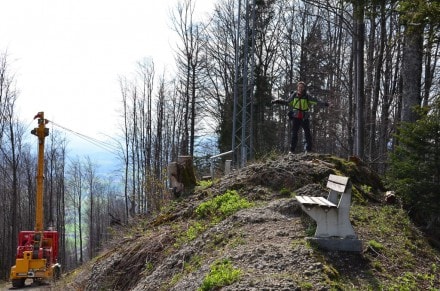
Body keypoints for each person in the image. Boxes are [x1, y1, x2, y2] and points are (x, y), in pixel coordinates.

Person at [272, 81, 329, 153]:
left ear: (304, 88)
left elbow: (316, 101)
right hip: (296, 117)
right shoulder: (294, 95)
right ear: (297, 87)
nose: (300, 88)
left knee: (307, 133)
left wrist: (326, 104)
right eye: (299, 87)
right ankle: (291, 150)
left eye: (302, 87)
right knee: (294, 134)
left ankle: (308, 150)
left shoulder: (307, 96)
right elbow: (287, 102)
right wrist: (277, 101)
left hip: (304, 117)